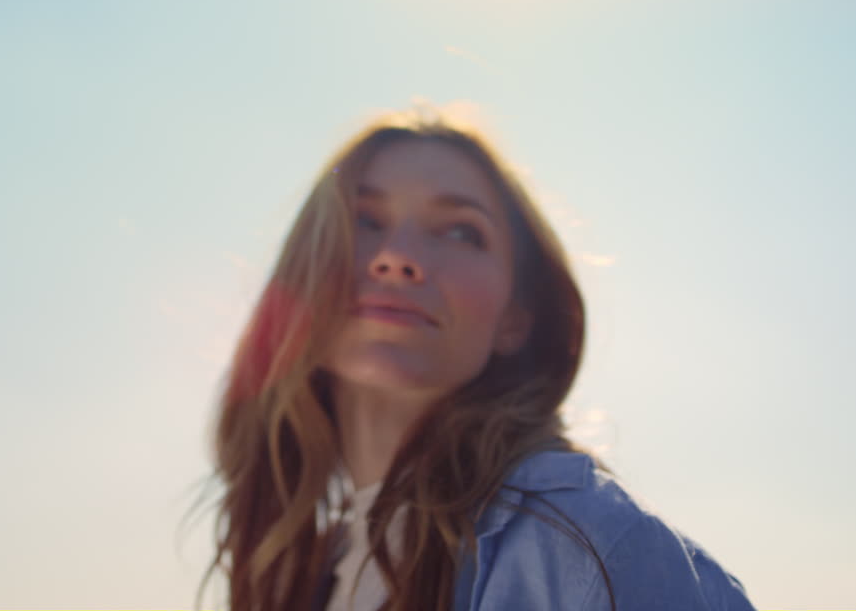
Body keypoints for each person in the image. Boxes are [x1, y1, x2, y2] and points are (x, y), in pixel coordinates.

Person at [194, 106, 757, 611]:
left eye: (461, 232)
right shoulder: (308, 577)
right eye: (365, 221)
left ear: (516, 317)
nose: (398, 258)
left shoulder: (585, 547)